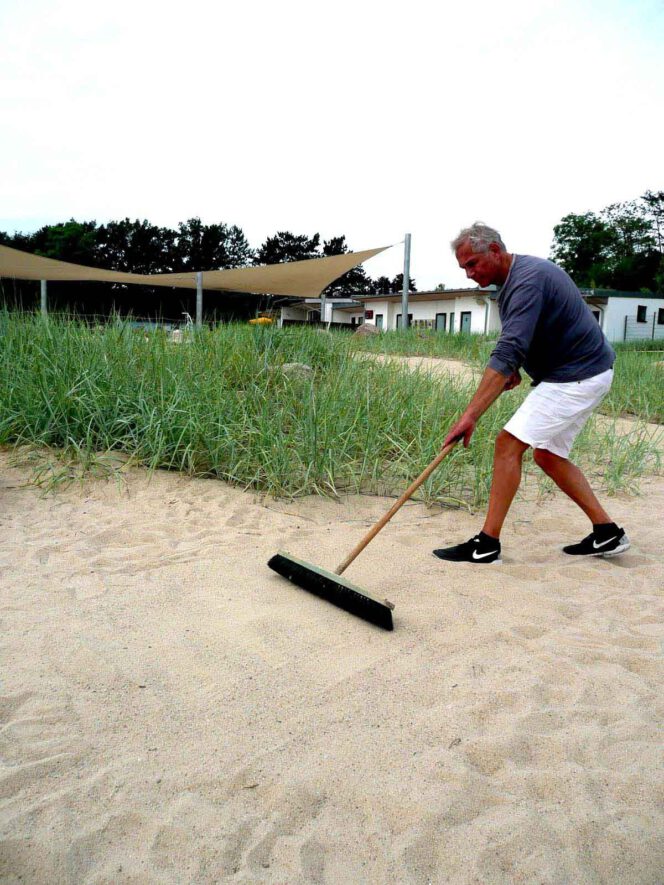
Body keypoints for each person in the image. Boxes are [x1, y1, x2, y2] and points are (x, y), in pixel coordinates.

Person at [434, 222, 629, 565]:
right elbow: (530, 337)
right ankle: (607, 532)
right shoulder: (512, 284)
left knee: (507, 444)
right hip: (585, 372)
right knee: (548, 455)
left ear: (494, 251)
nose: (468, 274)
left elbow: (509, 347)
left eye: (473, 264)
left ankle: (486, 544)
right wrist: (517, 370)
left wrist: (470, 416)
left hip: (577, 375)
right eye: (463, 267)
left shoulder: (527, 280)